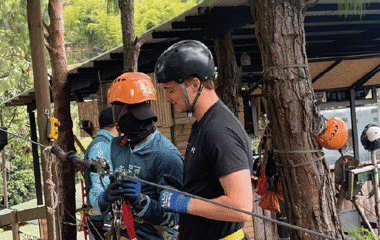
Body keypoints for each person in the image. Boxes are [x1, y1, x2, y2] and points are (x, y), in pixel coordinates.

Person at [154, 40, 254, 240]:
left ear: (195, 84)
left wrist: (184, 203)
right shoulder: (203, 124)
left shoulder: (218, 130)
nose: (166, 98)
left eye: (170, 89)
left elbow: (241, 207)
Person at [99, 72, 183, 240]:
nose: (112, 113)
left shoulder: (165, 156)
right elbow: (111, 201)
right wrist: (104, 198)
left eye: (115, 107)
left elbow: (176, 215)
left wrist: (142, 201)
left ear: (125, 111)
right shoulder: (117, 146)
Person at [84, 105, 118, 240]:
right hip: (103, 217)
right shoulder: (100, 147)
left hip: (104, 215)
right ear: (117, 124)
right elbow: (99, 182)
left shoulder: (105, 144)